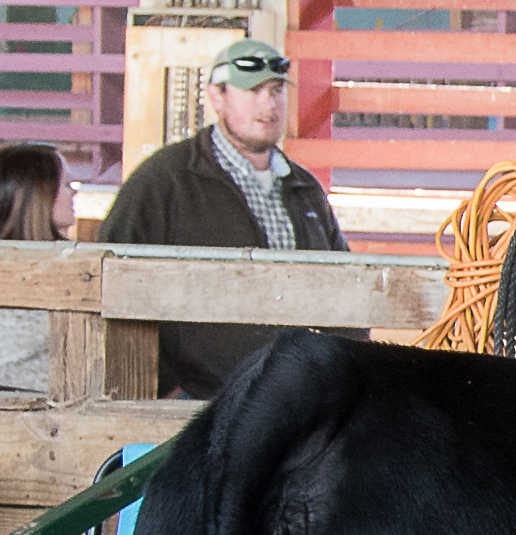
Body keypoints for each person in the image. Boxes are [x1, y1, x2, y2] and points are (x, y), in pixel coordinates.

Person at [96, 37, 346, 398]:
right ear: (217, 96)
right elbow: (111, 274)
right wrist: (161, 385)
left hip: (292, 397)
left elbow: (344, 286)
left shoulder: (304, 187)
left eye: (276, 90)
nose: (268, 103)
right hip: (199, 400)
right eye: (253, 90)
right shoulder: (164, 180)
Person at [0, 144, 73, 395]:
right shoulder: (59, 270)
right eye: (65, 185)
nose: (73, 192)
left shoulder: (66, 261)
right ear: (39, 195)